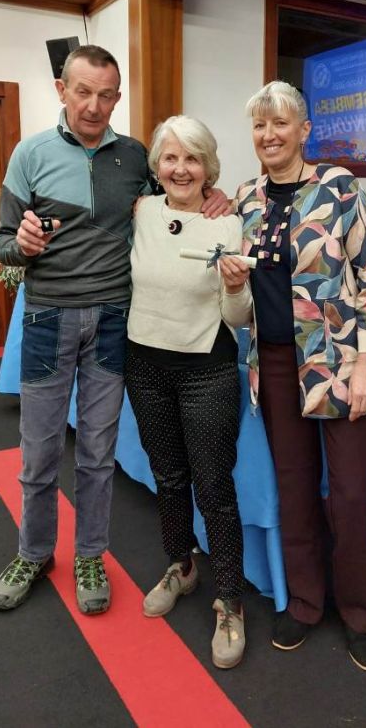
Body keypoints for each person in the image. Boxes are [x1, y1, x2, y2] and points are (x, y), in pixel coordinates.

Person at [0, 46, 226, 616]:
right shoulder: (30, 153)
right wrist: (20, 245)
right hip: (47, 318)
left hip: (115, 321)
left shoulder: (136, 156)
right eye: (83, 92)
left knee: (97, 455)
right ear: (62, 90)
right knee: (39, 453)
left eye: (105, 95)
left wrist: (215, 196)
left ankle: (90, 555)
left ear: (117, 97)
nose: (94, 106)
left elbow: (176, 195)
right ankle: (33, 552)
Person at [219, 81, 366, 672]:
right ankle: (305, 602)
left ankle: (358, 613)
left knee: (350, 493)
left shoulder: (339, 187)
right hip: (272, 363)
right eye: (259, 125)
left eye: (280, 123)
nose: (269, 135)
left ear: (304, 130)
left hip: (340, 362)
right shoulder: (245, 199)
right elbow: (240, 293)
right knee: (294, 489)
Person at [125, 115, 252, 669]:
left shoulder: (230, 223)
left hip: (207, 369)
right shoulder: (141, 212)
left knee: (214, 486)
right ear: (157, 166)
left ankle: (231, 601)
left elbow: (238, 318)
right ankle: (181, 566)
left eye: (192, 158)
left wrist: (236, 287)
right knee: (168, 476)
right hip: (144, 365)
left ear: (208, 167)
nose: (181, 168)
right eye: (171, 158)